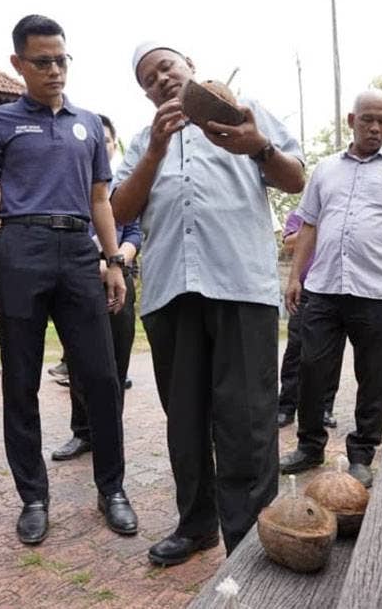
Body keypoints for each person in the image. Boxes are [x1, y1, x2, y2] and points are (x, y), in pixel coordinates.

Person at [112, 42, 306, 564]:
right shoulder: (140, 141)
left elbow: (296, 179)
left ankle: (248, 543)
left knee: (246, 419)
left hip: (241, 285)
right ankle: (196, 524)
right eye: (149, 79)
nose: (162, 80)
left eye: (167, 66)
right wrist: (154, 151)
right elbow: (118, 210)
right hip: (171, 291)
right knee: (186, 419)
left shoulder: (245, 114)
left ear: (190, 66)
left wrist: (257, 146)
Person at [0, 14, 136, 547]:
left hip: (78, 252)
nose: (55, 70)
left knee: (102, 378)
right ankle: (33, 498)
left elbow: (100, 201)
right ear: (19, 64)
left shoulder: (88, 124)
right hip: (19, 249)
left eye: (62, 60)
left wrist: (113, 261)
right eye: (43, 62)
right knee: (21, 381)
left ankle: (112, 489)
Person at [279, 89, 382, 489]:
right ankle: (310, 446)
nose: (376, 127)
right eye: (368, 119)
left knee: (373, 378)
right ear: (352, 121)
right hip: (324, 289)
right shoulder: (326, 169)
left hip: (376, 292)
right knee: (312, 369)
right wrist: (295, 278)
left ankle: (362, 454)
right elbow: (308, 224)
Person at [52, 114, 141, 462]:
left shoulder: (125, 187)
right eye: (95, 140)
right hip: (79, 281)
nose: (100, 146)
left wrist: (116, 259)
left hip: (119, 279)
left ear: (113, 145)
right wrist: (96, 261)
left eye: (106, 140)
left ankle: (109, 434)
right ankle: (82, 432)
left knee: (114, 364)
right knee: (77, 360)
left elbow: (134, 233)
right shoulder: (70, 184)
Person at [277, 210, 342, 429]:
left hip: (334, 289)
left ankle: (325, 408)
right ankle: (286, 407)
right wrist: (319, 225)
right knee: (295, 349)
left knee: (333, 352)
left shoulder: (343, 210)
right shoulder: (300, 213)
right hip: (304, 290)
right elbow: (288, 242)